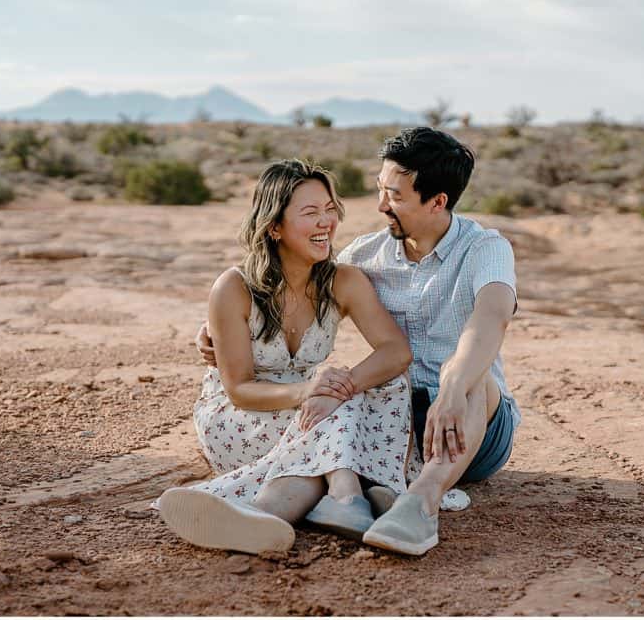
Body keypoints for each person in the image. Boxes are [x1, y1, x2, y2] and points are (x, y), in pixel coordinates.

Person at [199, 126, 519, 556]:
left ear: (437, 201)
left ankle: (419, 504)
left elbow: (491, 319)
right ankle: (309, 507)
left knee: (468, 378)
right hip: (400, 425)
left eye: (395, 196)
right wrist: (217, 332)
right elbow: (296, 280)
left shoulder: (485, 249)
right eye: (380, 190)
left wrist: (454, 386)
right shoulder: (362, 256)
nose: (380, 205)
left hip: (471, 420)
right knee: (351, 399)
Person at [158, 159, 419, 555]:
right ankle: (352, 491)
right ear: (274, 226)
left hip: (310, 413)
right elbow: (241, 390)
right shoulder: (234, 287)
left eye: (330, 210)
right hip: (242, 418)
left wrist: (336, 388)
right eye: (310, 212)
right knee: (336, 411)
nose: (325, 223)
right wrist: (312, 391)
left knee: (383, 388)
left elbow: (396, 351)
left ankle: (267, 517)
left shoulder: (343, 281)